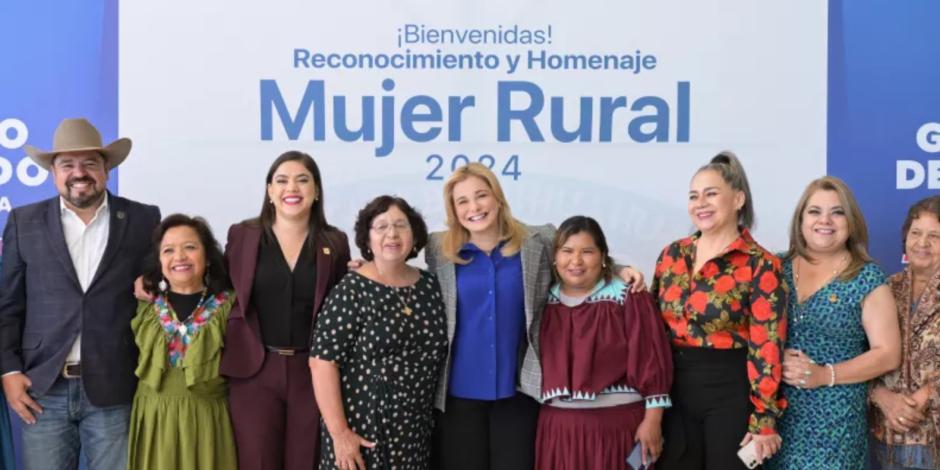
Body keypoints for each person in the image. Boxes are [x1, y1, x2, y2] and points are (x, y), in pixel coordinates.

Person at [428, 163, 644, 470]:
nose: (474, 207)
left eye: (481, 196)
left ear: (498, 198)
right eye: (462, 201)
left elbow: (576, 257)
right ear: (453, 210)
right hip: (457, 393)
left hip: (518, 388)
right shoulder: (438, 248)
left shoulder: (537, 241)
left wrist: (618, 269)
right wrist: (363, 266)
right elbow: (398, 266)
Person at [0, 118, 161, 469]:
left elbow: (159, 291)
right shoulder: (22, 222)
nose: (79, 173)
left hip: (115, 387)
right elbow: (7, 307)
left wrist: (151, 283)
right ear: (53, 172)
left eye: (90, 163)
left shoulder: (143, 219)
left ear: (106, 170)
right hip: (43, 389)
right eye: (67, 164)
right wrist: (9, 373)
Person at [653, 151, 787, 469]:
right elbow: (650, 326)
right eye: (694, 196)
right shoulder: (672, 254)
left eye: (711, 194)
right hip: (673, 391)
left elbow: (767, 345)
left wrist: (764, 418)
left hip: (731, 392)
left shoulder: (761, 263)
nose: (701, 203)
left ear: (738, 199)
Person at [221, 150, 350, 470]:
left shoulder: (334, 242)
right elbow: (216, 285)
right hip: (255, 369)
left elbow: (341, 307)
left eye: (302, 180)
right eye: (281, 181)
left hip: (313, 372)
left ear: (317, 190)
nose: (291, 188)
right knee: (257, 462)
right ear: (269, 191)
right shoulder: (243, 235)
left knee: (305, 461)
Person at [766, 176, 901, 469]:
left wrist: (824, 375)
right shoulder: (775, 268)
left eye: (837, 212)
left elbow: (888, 353)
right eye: (814, 211)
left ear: (850, 221)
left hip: (835, 421)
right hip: (772, 419)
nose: (825, 220)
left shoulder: (866, 277)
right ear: (801, 219)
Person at [310, 195, 447, 469]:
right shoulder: (352, 290)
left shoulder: (431, 285)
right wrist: (340, 434)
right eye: (381, 226)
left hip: (415, 432)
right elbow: (322, 363)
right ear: (367, 238)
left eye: (400, 225)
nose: (392, 234)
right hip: (361, 433)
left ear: (414, 234)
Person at [535, 216, 673, 470]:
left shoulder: (628, 294)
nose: (576, 261)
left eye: (587, 252)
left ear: (602, 256)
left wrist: (653, 421)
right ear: (554, 256)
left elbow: (651, 358)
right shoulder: (541, 300)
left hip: (621, 428)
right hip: (559, 430)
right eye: (567, 251)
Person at [127, 214, 236, 469]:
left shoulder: (230, 306)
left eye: (190, 247)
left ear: (207, 256)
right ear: (159, 261)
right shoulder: (145, 306)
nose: (179, 257)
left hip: (209, 423)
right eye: (168, 250)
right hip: (155, 421)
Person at [869, 195, 940, 470]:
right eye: (916, 233)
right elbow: (857, 354)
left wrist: (928, 394)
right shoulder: (884, 289)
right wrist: (881, 397)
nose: (922, 243)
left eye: (934, 235)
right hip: (886, 439)